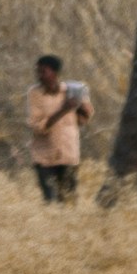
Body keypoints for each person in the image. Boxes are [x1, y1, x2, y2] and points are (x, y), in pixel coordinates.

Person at [25, 54, 92, 203]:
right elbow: (38, 127)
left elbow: (83, 119)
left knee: (69, 199)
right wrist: (63, 109)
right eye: (38, 72)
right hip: (44, 156)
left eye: (43, 72)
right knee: (51, 200)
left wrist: (81, 105)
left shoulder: (73, 90)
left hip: (68, 153)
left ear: (55, 73)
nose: (39, 76)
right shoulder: (34, 93)